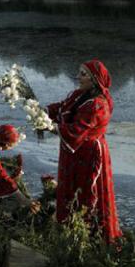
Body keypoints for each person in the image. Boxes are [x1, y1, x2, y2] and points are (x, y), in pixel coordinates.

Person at [47, 59, 122, 242]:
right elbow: (61, 109)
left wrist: (50, 127)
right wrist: (40, 112)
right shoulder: (79, 95)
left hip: (89, 155)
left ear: (95, 79)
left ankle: (93, 237)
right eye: (79, 72)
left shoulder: (98, 104)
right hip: (74, 153)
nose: (78, 77)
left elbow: (76, 130)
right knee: (70, 191)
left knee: (86, 192)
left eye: (83, 74)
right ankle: (69, 233)